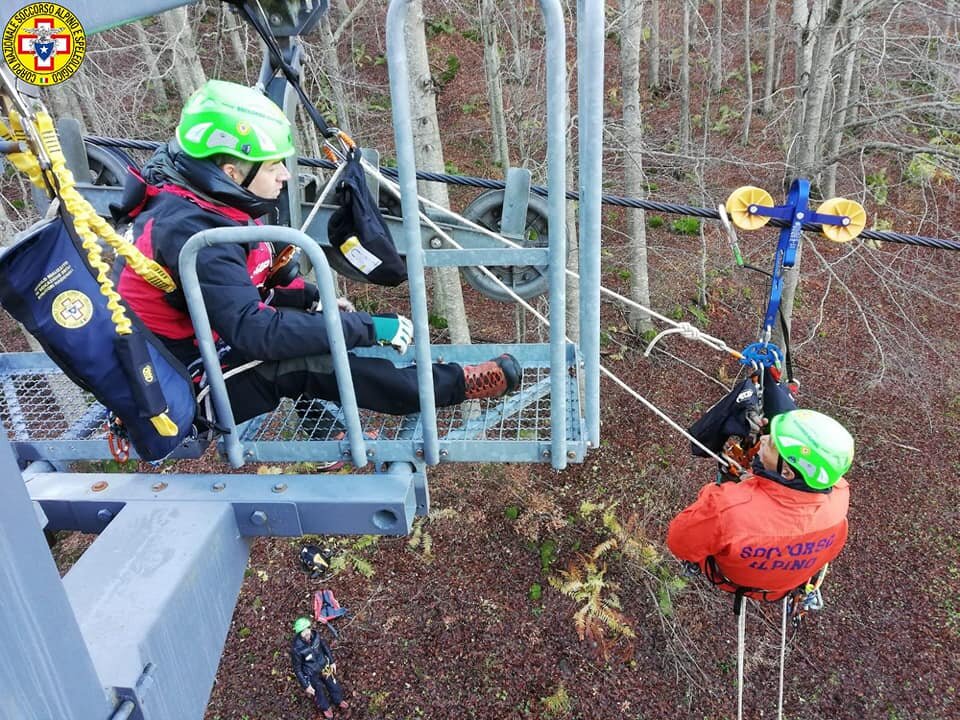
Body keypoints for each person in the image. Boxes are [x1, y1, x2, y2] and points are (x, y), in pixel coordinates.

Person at [114, 79, 521, 428]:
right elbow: (255, 332)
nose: (285, 174)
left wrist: (312, 298)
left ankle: (328, 428)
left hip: (196, 349)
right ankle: (457, 384)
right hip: (177, 390)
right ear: (231, 173)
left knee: (313, 332)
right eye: (272, 166)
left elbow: (236, 292)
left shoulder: (204, 204)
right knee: (307, 363)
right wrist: (369, 327)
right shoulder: (194, 233)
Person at [667, 409, 854, 601]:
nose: (763, 440)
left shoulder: (726, 508)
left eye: (772, 443)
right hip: (786, 583)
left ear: (787, 472)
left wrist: (714, 495)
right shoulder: (840, 496)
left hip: (731, 578)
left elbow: (679, 544)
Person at [290, 617, 347, 719]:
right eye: (303, 631)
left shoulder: (316, 636)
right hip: (311, 673)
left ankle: (338, 700)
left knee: (333, 684)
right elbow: (297, 669)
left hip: (324, 666)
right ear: (299, 633)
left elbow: (325, 648)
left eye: (307, 629)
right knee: (318, 691)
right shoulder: (297, 649)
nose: (307, 633)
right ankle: (325, 707)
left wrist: (332, 662)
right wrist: (306, 685)